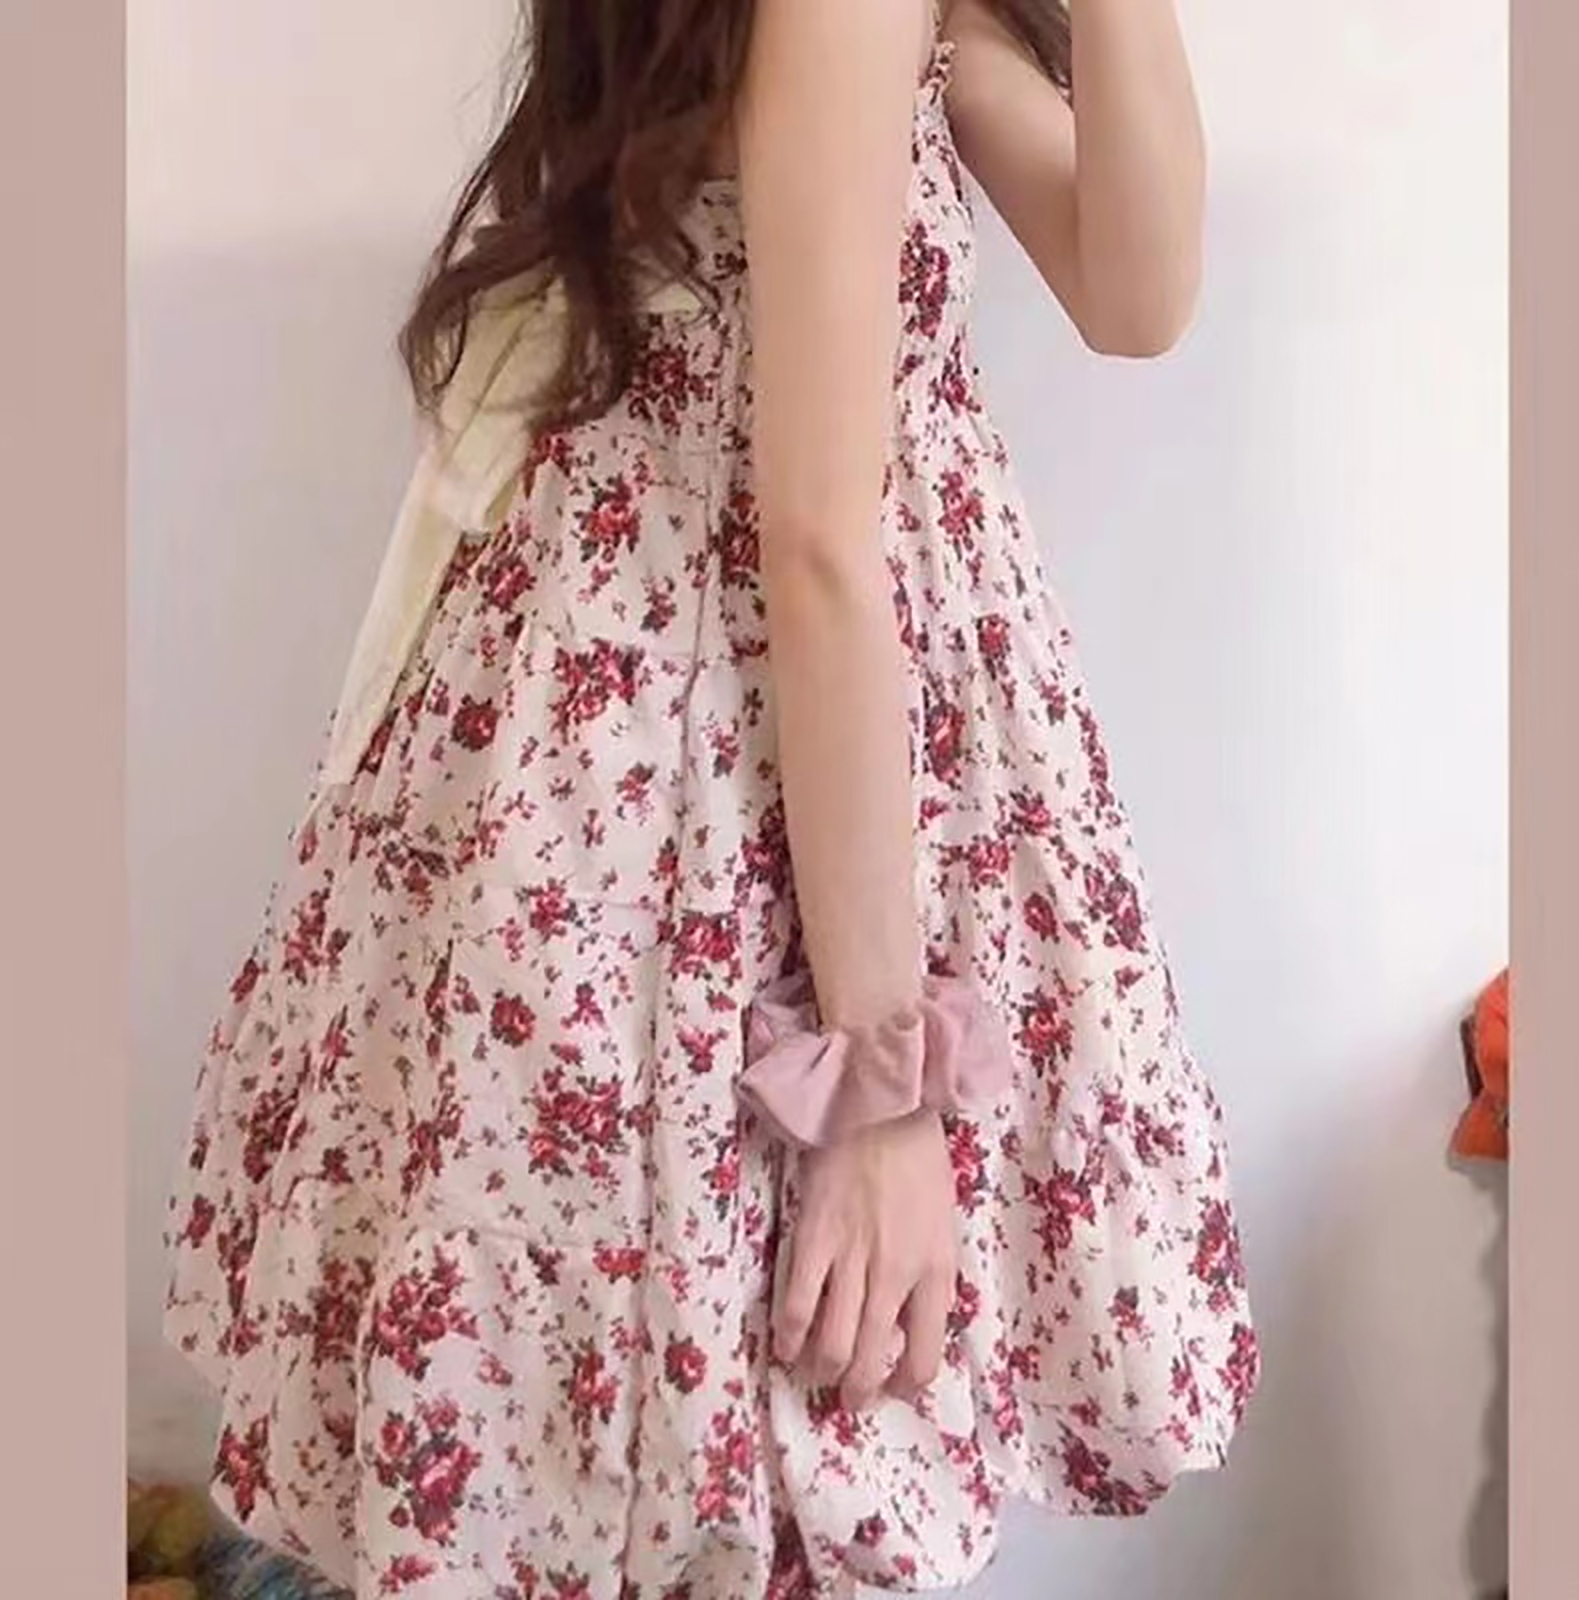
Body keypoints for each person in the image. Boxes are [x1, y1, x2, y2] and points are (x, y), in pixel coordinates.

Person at [163, 1, 1258, 1595]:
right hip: (717, 738)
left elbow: (1139, 292)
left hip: (694, 701)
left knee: (662, 1417)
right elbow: (812, 545)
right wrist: (877, 1094)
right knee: (741, 1394)